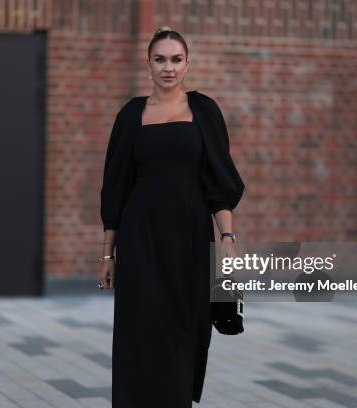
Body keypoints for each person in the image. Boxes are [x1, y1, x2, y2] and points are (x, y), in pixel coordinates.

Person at [98, 26, 244, 407]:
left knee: (185, 328)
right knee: (139, 330)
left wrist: (227, 239)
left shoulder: (204, 110)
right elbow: (114, 188)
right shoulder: (131, 115)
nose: (168, 67)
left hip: (191, 238)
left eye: (176, 59)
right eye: (160, 59)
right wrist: (107, 255)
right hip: (140, 238)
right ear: (148, 64)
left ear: (187, 64)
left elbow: (219, 183)